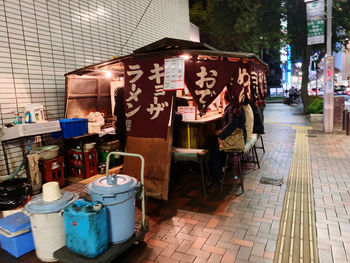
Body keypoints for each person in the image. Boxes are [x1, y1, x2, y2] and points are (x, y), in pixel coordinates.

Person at [210, 90, 246, 182]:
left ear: (226, 98)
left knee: (214, 151)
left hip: (235, 141)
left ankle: (219, 176)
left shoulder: (231, 108)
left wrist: (220, 135)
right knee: (218, 147)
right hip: (240, 138)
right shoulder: (236, 107)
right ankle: (224, 167)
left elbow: (232, 124)